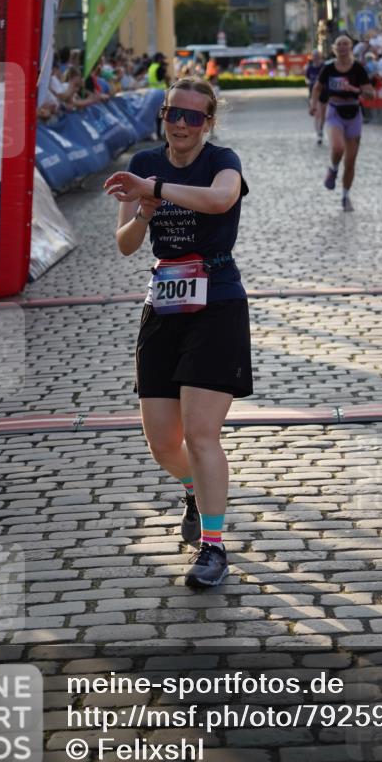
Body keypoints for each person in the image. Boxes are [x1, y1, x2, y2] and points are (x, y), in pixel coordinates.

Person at [103, 77, 251, 590]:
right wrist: (143, 209)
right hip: (164, 300)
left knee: (200, 432)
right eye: (174, 115)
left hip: (217, 299)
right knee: (163, 442)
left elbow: (218, 200)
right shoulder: (144, 163)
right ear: (162, 116)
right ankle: (192, 488)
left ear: (208, 123)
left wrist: (157, 191)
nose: (182, 125)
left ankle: (214, 547)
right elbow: (125, 244)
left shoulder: (222, 160)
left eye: (194, 117)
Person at [318, 35, 374, 212]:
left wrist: (355, 90)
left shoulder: (358, 68)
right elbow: (317, 88)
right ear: (335, 48)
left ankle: (345, 196)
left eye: (346, 44)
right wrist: (313, 105)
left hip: (354, 113)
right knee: (338, 147)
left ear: (351, 47)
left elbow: (369, 93)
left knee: (350, 162)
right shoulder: (328, 68)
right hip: (335, 111)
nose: (342, 47)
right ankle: (333, 169)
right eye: (339, 44)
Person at [306, 50, 326, 145]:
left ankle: (321, 128)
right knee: (317, 113)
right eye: (315, 56)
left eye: (318, 56)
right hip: (313, 93)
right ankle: (319, 133)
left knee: (323, 114)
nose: (316, 57)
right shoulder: (310, 68)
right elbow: (307, 78)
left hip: (325, 92)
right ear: (312, 57)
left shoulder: (325, 67)